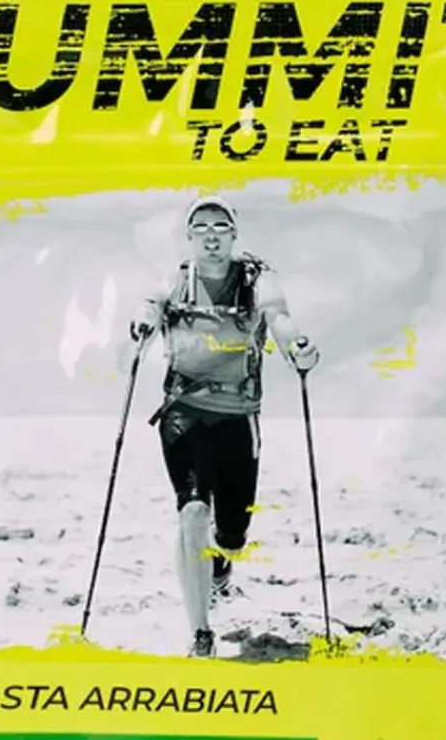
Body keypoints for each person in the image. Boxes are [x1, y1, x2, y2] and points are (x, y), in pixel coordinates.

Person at [129, 197, 319, 657]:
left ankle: (220, 563)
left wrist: (297, 347)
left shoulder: (256, 280)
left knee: (231, 536)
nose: (211, 234)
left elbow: (278, 317)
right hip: (184, 413)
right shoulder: (177, 279)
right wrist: (142, 326)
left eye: (220, 226)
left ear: (233, 234)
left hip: (238, 417)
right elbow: (150, 306)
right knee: (192, 512)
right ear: (190, 236)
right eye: (201, 227)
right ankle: (200, 631)